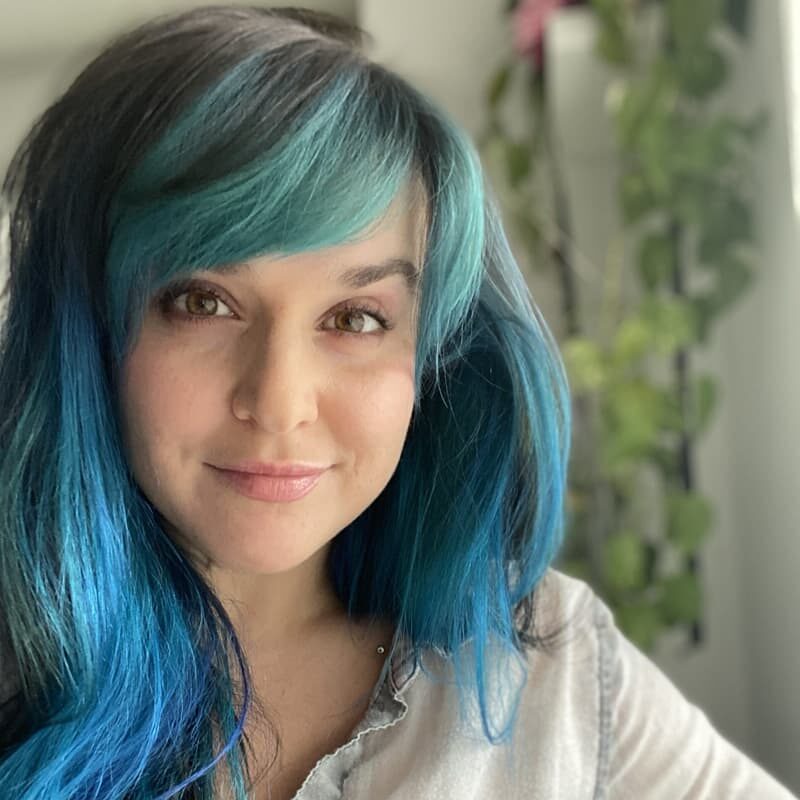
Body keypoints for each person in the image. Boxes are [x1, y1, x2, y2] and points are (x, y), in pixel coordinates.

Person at [0, 5, 795, 799]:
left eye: (355, 318)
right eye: (203, 303)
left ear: (430, 353)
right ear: (91, 324)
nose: (279, 404)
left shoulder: (555, 674)